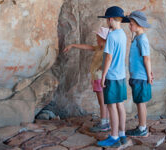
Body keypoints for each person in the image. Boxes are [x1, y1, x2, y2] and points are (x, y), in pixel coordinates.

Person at [63, 27, 111, 132]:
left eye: (98, 38)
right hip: (97, 78)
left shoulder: (106, 49)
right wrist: (73, 45)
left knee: (102, 102)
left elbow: (108, 61)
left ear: (103, 39)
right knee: (104, 101)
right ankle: (106, 121)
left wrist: (101, 69)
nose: (96, 40)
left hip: (99, 79)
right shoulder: (99, 47)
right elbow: (87, 47)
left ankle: (104, 123)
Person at [97, 6, 129, 148]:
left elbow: (109, 57)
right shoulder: (123, 34)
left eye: (107, 20)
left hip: (111, 75)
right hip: (121, 75)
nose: (106, 23)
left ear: (110, 19)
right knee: (120, 105)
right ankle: (122, 133)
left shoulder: (112, 35)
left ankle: (114, 136)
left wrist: (103, 75)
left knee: (111, 106)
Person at [125, 10, 153, 137]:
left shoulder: (142, 39)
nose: (129, 26)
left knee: (141, 103)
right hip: (137, 76)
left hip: (140, 77)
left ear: (139, 24)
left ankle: (142, 129)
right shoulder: (137, 37)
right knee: (140, 103)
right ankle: (142, 126)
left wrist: (148, 75)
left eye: (131, 24)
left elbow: (146, 58)